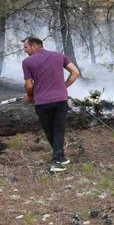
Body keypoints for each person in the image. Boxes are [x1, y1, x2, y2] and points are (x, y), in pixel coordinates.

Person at [22, 37, 80, 172]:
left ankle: (56, 162)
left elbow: (28, 85)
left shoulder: (27, 62)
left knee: (49, 130)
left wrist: (30, 95)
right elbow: (75, 72)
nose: (24, 50)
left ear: (35, 46)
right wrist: (63, 87)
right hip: (60, 100)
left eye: (26, 47)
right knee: (59, 130)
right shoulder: (60, 56)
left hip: (42, 102)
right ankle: (61, 156)